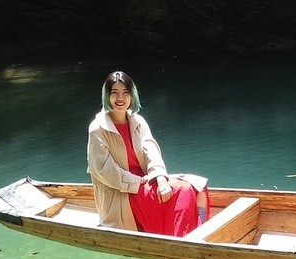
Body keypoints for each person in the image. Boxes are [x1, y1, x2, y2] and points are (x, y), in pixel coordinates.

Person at [87, 71, 210, 236]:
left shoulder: (138, 122)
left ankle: (200, 233)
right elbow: (105, 171)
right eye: (114, 93)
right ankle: (184, 240)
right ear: (107, 96)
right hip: (122, 193)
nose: (120, 98)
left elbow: (152, 152)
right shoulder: (98, 129)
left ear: (132, 96)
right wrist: (137, 182)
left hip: (145, 183)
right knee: (184, 190)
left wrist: (160, 179)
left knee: (199, 186)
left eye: (125, 93)